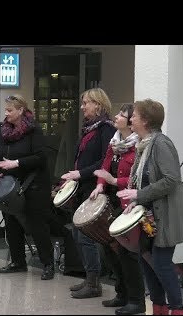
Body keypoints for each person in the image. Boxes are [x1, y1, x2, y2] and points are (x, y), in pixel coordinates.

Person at [117, 99, 183, 315]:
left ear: (146, 120)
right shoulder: (144, 144)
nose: (130, 118)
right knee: (146, 262)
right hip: (150, 216)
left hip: (166, 216)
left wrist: (138, 194)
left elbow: (171, 179)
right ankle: (158, 308)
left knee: (160, 264)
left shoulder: (160, 143)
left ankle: (177, 309)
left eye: (135, 115)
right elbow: (144, 181)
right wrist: (134, 201)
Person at [89, 104, 146, 315]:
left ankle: (136, 299)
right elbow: (105, 166)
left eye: (122, 115)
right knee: (108, 249)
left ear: (130, 122)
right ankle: (121, 293)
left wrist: (114, 180)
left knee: (127, 253)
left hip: (127, 203)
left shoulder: (138, 146)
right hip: (111, 200)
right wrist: (100, 185)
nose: (116, 116)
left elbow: (136, 178)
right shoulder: (114, 141)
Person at [0, 94, 55, 280]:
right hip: (10, 186)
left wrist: (16, 163)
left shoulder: (34, 130)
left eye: (10, 110)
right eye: (6, 110)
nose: (6, 113)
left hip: (34, 185)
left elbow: (41, 157)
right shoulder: (3, 130)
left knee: (37, 225)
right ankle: (17, 261)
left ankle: (47, 263)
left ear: (20, 110)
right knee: (12, 224)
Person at [61, 88, 116, 298]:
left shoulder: (106, 130)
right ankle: (89, 277)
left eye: (86, 103)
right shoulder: (89, 129)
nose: (83, 107)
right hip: (84, 186)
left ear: (98, 105)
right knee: (77, 232)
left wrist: (80, 173)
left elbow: (105, 161)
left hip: (95, 188)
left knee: (85, 236)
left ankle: (94, 283)